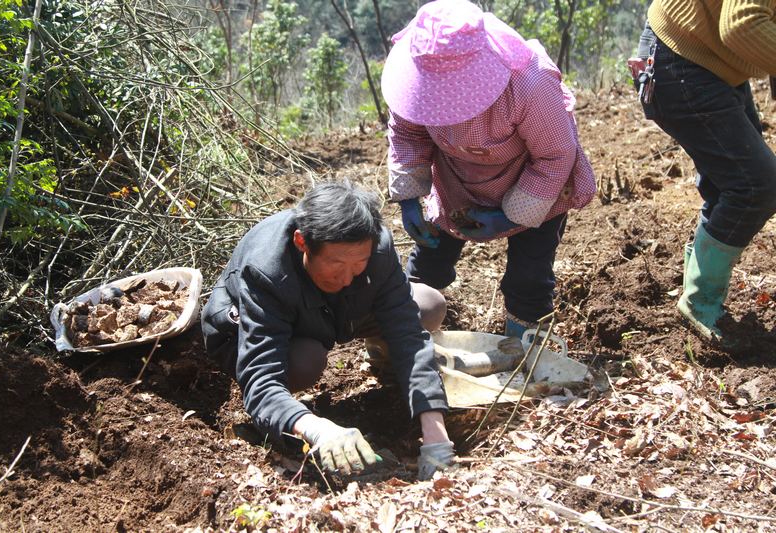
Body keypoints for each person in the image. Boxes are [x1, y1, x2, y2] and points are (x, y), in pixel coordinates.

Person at [201, 181, 454, 479]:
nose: (347, 277)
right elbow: (262, 380)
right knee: (304, 362)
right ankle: (281, 418)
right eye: (335, 263)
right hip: (251, 332)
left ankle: (388, 367)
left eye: (359, 263)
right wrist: (316, 428)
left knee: (428, 304)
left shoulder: (375, 246)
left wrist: (435, 429)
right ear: (301, 243)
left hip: (335, 314)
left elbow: (408, 333)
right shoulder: (266, 270)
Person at [381, 0, 596, 339]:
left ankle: (524, 355)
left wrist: (514, 216)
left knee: (528, 277)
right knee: (428, 263)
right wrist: (409, 199)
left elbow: (555, 157)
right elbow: (408, 132)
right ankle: (399, 339)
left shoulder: (529, 83)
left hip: (535, 183)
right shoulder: (417, 82)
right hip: (456, 182)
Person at [633, 0, 776, 342]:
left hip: (711, 59)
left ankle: (699, 292)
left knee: (734, 181)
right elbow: (742, 24)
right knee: (755, 186)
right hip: (681, 58)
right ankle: (700, 300)